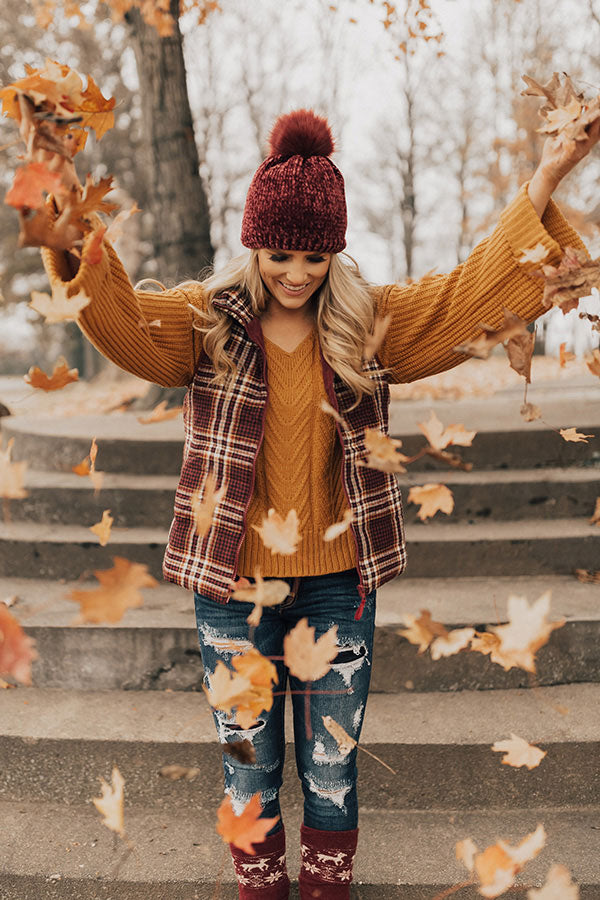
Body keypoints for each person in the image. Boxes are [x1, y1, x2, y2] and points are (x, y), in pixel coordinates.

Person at [39, 107, 598, 899]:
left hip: (338, 582)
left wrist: (546, 177)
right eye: (278, 254)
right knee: (250, 764)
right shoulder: (210, 324)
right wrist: (72, 226)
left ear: (335, 253)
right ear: (253, 246)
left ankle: (328, 888)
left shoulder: (368, 325)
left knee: (331, 764)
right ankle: (261, 886)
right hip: (232, 589)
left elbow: (465, 295)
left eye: (313, 255)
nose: (295, 272)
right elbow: (127, 325)